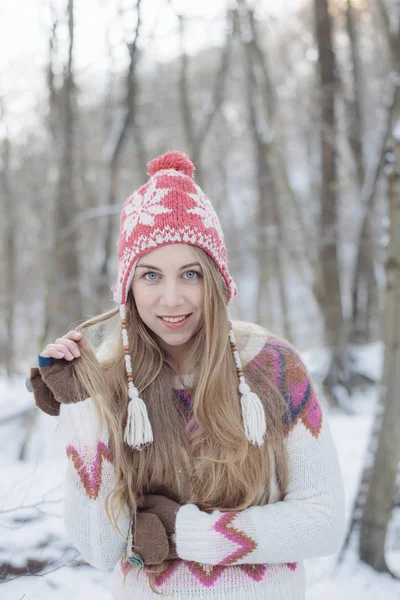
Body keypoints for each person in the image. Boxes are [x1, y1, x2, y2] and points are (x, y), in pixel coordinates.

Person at [29, 151, 346, 600]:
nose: (172, 299)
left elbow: (323, 522)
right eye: (151, 275)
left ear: (216, 280)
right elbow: (100, 546)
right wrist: (85, 404)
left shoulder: (274, 366)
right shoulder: (116, 378)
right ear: (128, 287)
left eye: (191, 274)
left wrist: (185, 531)